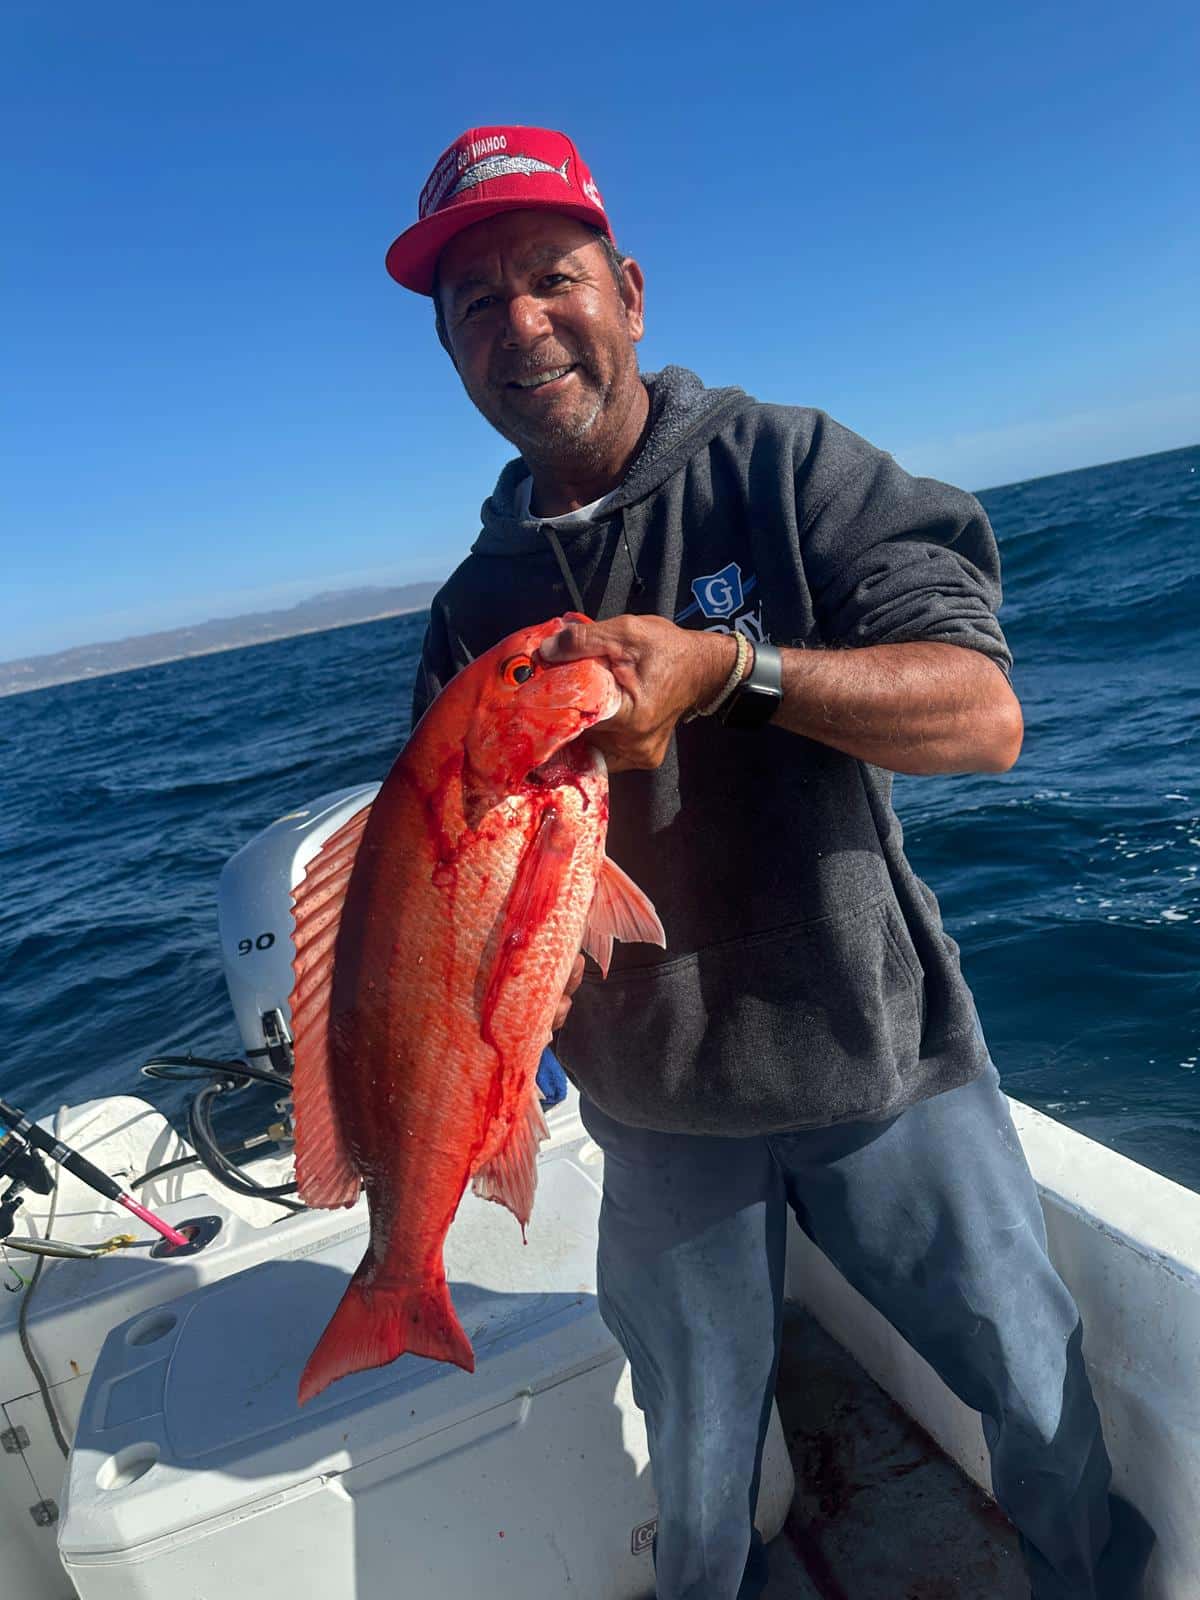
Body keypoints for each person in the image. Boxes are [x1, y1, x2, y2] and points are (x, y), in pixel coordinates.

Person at [386, 125, 1154, 1599]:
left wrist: (733, 669)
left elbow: (982, 713)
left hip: (877, 1053)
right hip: (655, 1104)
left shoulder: (784, 465)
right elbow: (450, 886)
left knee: (1039, 1399)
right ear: (448, 351)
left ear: (630, 289)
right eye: (475, 305)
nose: (522, 324)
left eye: (553, 279)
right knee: (692, 1476)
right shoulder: (471, 607)